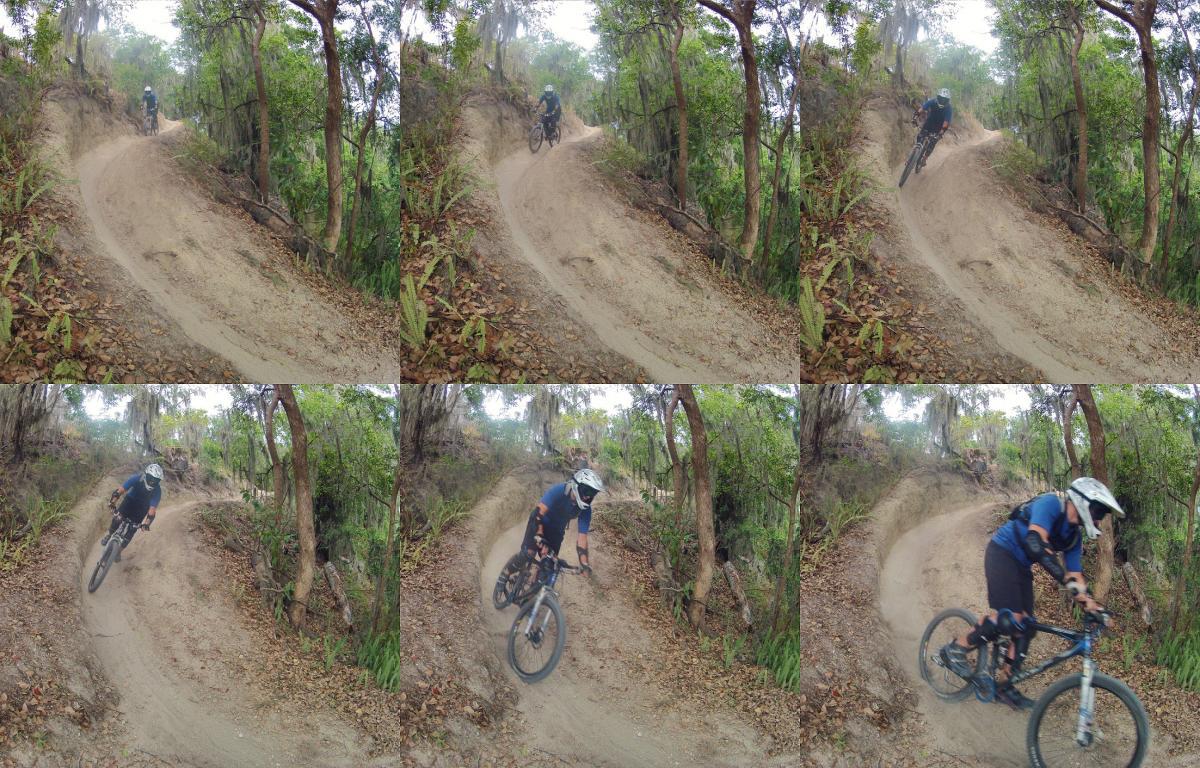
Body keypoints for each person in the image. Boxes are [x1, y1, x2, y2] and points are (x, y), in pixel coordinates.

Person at [939, 477, 1122, 710]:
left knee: (1027, 626)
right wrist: (1065, 579)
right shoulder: (1051, 504)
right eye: (1098, 511)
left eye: (1102, 514)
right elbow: (1035, 542)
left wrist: (1091, 605)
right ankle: (956, 648)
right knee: (1011, 618)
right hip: (1002, 553)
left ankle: (1005, 685)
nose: (1099, 518)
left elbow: (1076, 577)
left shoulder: (1073, 538)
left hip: (1021, 566)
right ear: (1081, 500)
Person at [496, 468, 604, 595]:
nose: (588, 496)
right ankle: (504, 576)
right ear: (577, 485)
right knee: (528, 553)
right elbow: (538, 513)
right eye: (587, 490)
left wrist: (584, 563)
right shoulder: (559, 491)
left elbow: (582, 537)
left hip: (556, 532)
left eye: (593, 493)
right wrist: (539, 535)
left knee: (550, 565)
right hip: (538, 522)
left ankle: (533, 595)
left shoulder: (586, 509)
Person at [101, 463, 163, 562]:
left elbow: (152, 510)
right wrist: (112, 503)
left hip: (142, 508)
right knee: (117, 519)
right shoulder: (137, 478)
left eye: (156, 480)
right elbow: (120, 491)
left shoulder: (157, 491)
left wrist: (146, 524)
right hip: (130, 501)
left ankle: (118, 552)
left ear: (159, 481)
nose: (152, 482)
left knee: (131, 531)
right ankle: (110, 534)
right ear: (146, 474)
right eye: (151, 478)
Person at [912, 87, 952, 170]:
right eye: (941, 98)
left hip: (939, 127)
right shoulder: (932, 101)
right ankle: (916, 151)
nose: (942, 101)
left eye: (944, 100)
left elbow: (946, 122)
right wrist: (916, 116)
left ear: (947, 101)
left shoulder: (948, 108)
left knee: (932, 143)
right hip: (929, 123)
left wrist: (941, 132)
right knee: (920, 136)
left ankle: (924, 159)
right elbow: (923, 108)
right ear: (938, 97)